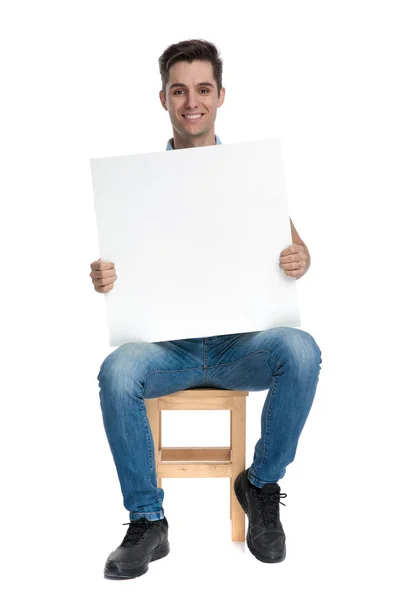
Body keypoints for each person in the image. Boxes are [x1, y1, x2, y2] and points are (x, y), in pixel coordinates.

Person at [90, 39, 322, 580]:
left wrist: (300, 257)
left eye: (202, 89)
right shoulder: (137, 183)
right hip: (167, 349)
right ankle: (148, 520)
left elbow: (296, 252)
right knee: (117, 370)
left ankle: (260, 483)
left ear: (220, 96)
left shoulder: (250, 173)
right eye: (179, 90)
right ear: (164, 99)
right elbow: (119, 268)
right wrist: (103, 276)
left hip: (238, 346)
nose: (191, 101)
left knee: (302, 352)